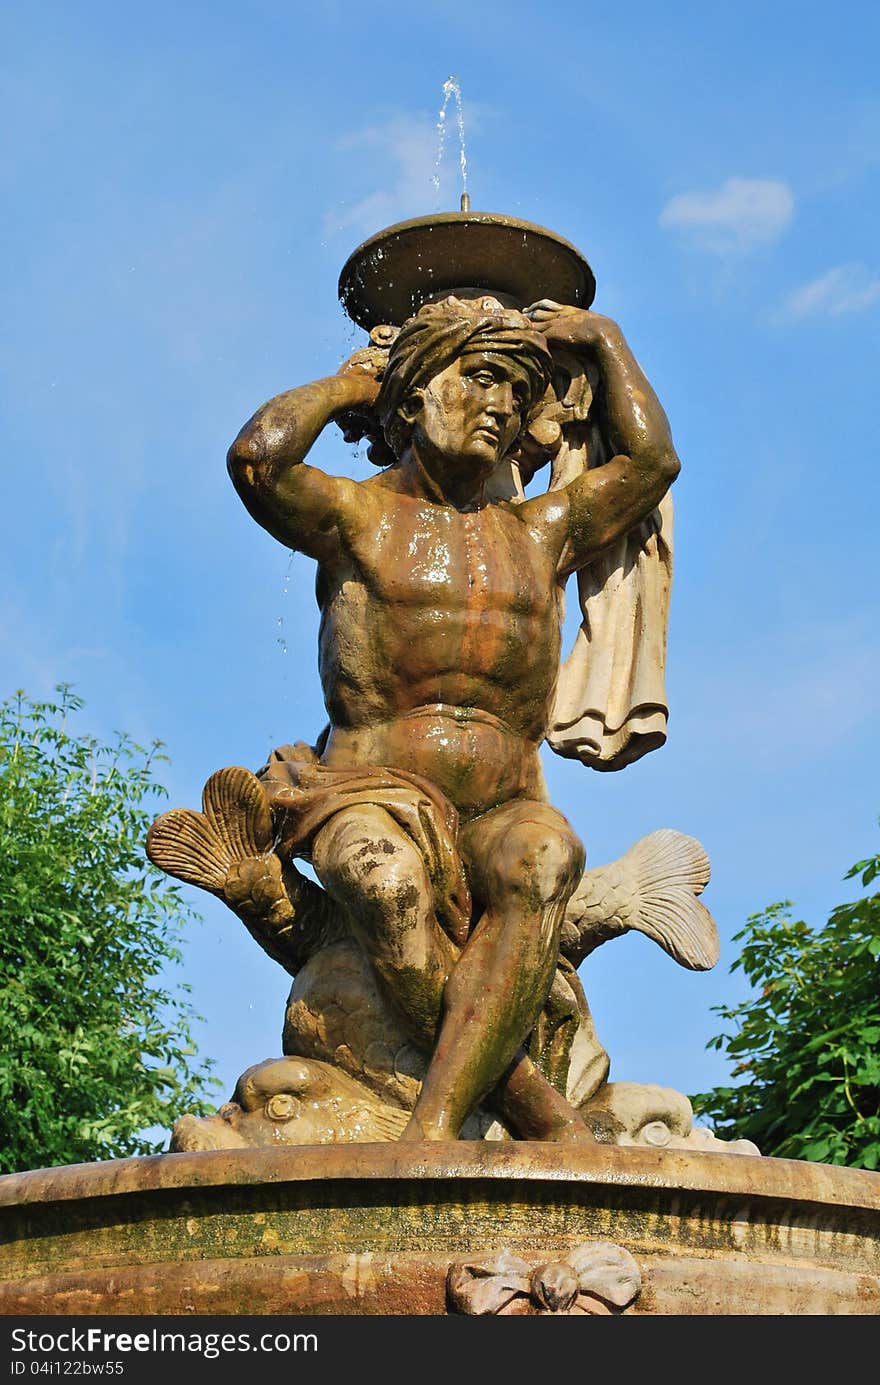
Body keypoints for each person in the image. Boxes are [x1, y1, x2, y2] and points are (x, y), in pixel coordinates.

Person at [226, 294, 680, 1142]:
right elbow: (256, 460)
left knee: (550, 855)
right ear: (415, 397)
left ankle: (432, 1126)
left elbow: (652, 463)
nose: (503, 406)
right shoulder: (356, 516)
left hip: (503, 803)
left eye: (516, 391)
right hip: (367, 790)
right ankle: (540, 1116)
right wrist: (346, 387)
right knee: (386, 881)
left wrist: (605, 339)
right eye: (479, 379)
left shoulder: (539, 529)